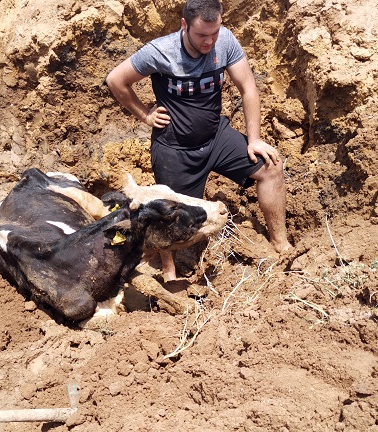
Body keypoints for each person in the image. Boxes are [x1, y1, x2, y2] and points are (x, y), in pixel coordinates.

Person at [106, 0, 292, 280]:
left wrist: (254, 139)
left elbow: (248, 88)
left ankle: (281, 244)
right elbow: (116, 80)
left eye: (214, 33)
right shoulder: (161, 51)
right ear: (184, 25)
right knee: (169, 214)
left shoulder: (225, 40)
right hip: (175, 150)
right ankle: (170, 274)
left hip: (216, 137)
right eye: (201, 35)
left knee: (271, 167)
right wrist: (145, 115)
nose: (209, 41)